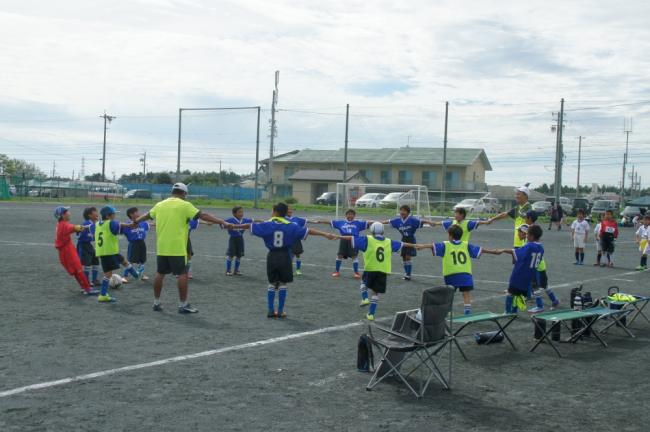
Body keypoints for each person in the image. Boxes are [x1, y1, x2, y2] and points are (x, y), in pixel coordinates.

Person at [133, 183, 230, 313]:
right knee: (182, 274)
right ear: (184, 194)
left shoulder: (160, 204)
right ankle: (183, 304)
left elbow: (147, 215)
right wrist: (222, 221)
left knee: (160, 274)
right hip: (177, 247)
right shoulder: (185, 205)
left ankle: (156, 302)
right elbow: (203, 215)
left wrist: (135, 221)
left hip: (162, 247)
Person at [231, 202, 336, 318]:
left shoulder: (267, 224)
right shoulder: (291, 225)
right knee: (283, 283)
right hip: (285, 255)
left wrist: (235, 226)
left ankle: (270, 310)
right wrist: (325, 234)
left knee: (272, 283)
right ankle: (280, 311)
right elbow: (308, 230)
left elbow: (249, 225)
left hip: (272, 255)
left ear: (275, 212)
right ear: (285, 212)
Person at [413, 225, 501, 315]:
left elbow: (433, 245)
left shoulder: (446, 244)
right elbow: (481, 250)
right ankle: (467, 312)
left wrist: (423, 246)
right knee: (466, 294)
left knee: (449, 294)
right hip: (465, 273)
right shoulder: (466, 245)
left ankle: (449, 312)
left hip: (452, 273)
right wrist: (493, 251)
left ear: (450, 235)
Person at [345, 222, 408, 321]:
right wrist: (417, 246)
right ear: (383, 231)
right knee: (375, 293)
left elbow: (352, 239)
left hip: (371, 268)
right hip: (383, 270)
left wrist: (335, 236)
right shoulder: (389, 241)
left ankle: (365, 298)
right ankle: (371, 314)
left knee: (363, 283)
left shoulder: (367, 239)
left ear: (372, 230)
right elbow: (402, 244)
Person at [95, 206, 141, 303]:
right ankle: (102, 295)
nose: (115, 215)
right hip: (108, 252)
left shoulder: (97, 224)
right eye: (113, 214)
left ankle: (136, 274)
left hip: (107, 251)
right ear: (108, 216)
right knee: (108, 274)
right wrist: (130, 225)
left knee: (123, 261)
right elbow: (120, 225)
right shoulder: (111, 223)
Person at [497, 224, 544, 314]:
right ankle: (514, 311)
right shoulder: (541, 248)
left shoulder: (529, 246)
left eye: (528, 234)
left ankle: (507, 311)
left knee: (511, 292)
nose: (526, 236)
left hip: (520, 274)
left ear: (531, 236)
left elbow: (517, 253)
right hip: (530, 275)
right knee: (519, 294)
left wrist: (503, 250)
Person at [380, 204, 434, 280]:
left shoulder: (412, 220)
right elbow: (388, 221)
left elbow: (421, 221)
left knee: (408, 257)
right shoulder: (398, 220)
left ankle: (408, 275)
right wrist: (378, 223)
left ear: (408, 212)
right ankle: (406, 273)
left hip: (411, 240)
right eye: (401, 210)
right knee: (403, 258)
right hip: (403, 240)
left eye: (404, 211)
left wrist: (430, 222)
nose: (402, 212)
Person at [313, 209, 371, 279]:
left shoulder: (358, 223)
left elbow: (369, 223)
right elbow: (330, 222)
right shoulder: (341, 223)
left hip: (353, 240)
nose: (350, 216)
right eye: (348, 214)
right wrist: (320, 221)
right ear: (346, 215)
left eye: (352, 214)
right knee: (340, 255)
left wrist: (383, 222)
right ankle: (336, 271)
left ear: (354, 216)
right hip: (343, 239)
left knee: (354, 256)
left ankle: (356, 273)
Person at [54, 206, 98, 296]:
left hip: (65, 250)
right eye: (67, 212)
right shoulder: (64, 225)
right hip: (67, 250)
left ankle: (84, 287)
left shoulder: (60, 224)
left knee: (76, 271)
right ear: (62, 215)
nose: (69, 213)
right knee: (78, 270)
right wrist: (85, 227)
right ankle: (87, 289)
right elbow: (74, 227)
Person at [524, 211, 559, 313]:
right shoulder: (533, 229)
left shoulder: (533, 230)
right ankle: (554, 300)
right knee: (544, 286)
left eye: (526, 217)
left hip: (537, 266)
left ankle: (540, 306)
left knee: (536, 287)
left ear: (530, 218)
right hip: (539, 266)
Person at [122, 207, 151, 281]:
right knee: (130, 260)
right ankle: (125, 276)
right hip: (133, 244)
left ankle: (141, 274)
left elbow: (150, 224)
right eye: (136, 212)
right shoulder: (127, 225)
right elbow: (120, 228)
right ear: (131, 214)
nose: (139, 213)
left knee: (142, 260)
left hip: (142, 243)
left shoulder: (143, 223)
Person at [224, 206, 253, 276]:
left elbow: (254, 220)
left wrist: (265, 221)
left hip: (240, 239)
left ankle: (236, 270)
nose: (241, 214)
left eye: (242, 212)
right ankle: (228, 270)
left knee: (239, 255)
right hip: (233, 239)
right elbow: (222, 224)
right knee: (230, 255)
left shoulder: (245, 220)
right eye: (239, 212)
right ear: (234, 214)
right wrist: (226, 226)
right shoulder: (229, 220)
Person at [77, 206, 100, 286]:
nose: (97, 213)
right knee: (87, 263)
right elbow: (80, 236)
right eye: (95, 211)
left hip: (91, 245)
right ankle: (86, 281)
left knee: (96, 261)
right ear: (89, 215)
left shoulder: (94, 223)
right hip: (85, 246)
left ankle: (94, 280)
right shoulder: (86, 224)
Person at [286, 206, 308, 275]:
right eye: (288, 210)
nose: (290, 211)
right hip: (288, 240)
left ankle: (298, 270)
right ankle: (289, 270)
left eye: (291, 209)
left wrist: (317, 221)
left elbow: (306, 221)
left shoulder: (296, 219)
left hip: (296, 240)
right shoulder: (282, 219)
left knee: (298, 254)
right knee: (290, 256)